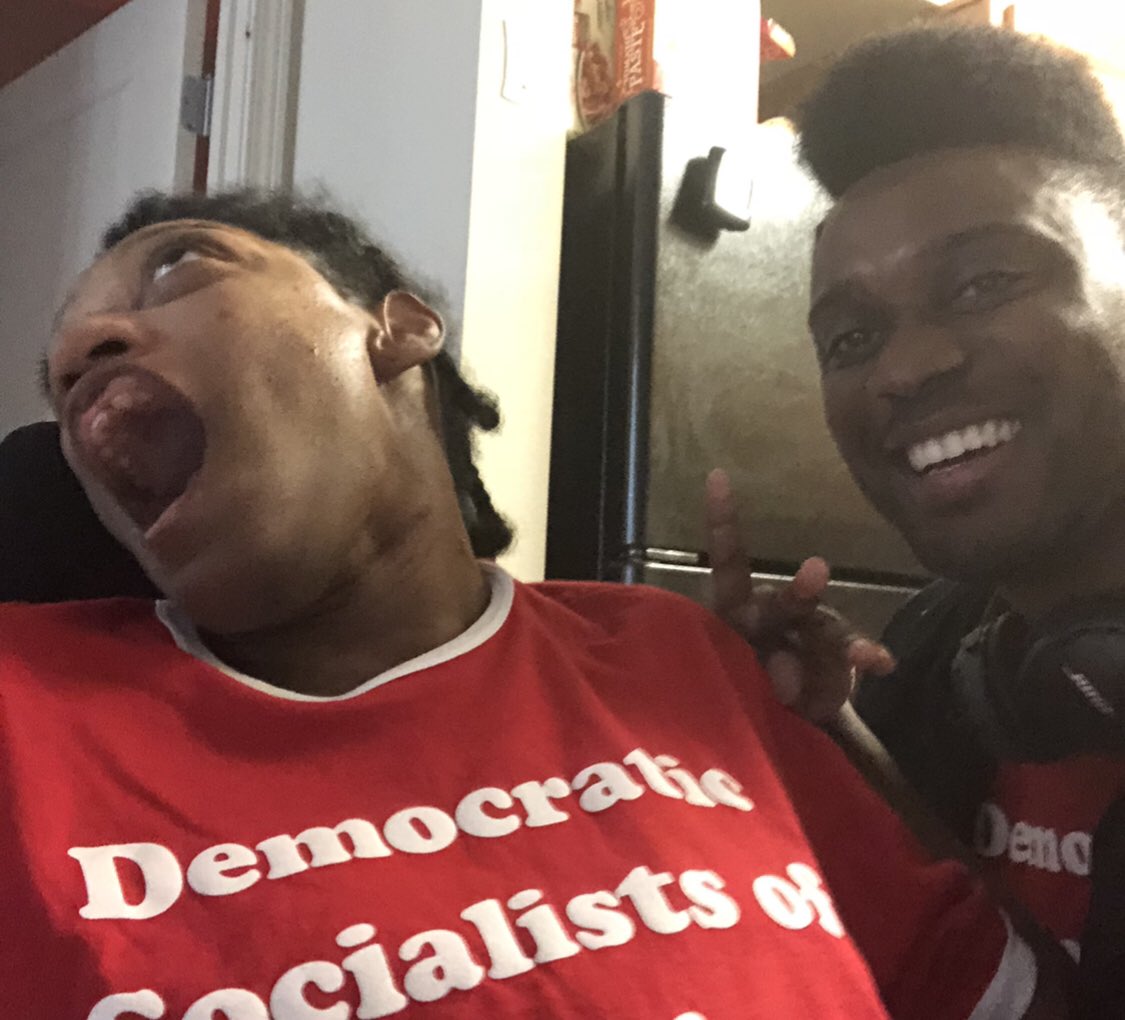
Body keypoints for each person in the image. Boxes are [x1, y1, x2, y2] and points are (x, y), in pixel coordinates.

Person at [0, 189, 1067, 1018]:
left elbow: (996, 996)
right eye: (61, 371)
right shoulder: (28, 707)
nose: (81, 353)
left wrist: (822, 729)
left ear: (398, 328)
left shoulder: (670, 654)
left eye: (176, 270)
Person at [710, 22, 1125, 1015]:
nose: (903, 369)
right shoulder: (936, 655)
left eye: (982, 284)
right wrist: (827, 732)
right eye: (852, 338)